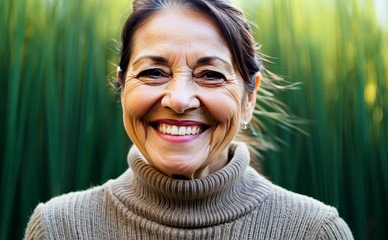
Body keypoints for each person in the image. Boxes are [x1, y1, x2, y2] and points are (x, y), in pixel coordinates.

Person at [25, 0, 353, 239]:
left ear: (248, 96)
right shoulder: (59, 227)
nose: (179, 100)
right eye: (153, 72)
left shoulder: (313, 231)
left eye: (210, 75)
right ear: (123, 85)